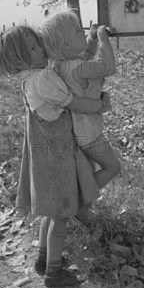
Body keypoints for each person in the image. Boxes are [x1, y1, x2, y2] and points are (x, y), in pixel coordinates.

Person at [0, 25, 110, 288]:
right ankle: (54, 275)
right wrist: (99, 105)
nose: (42, 49)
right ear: (19, 59)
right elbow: (73, 103)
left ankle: (43, 260)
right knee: (60, 215)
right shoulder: (41, 79)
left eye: (39, 43)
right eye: (33, 47)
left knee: (50, 212)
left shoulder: (32, 77)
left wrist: (88, 46)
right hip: (57, 154)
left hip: (47, 152)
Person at [41, 10, 120, 190]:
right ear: (66, 43)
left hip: (81, 131)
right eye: (78, 30)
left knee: (88, 171)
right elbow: (108, 67)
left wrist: (91, 44)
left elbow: (83, 58)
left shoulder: (64, 65)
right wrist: (103, 39)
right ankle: (81, 200)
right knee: (112, 167)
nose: (83, 32)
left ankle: (80, 200)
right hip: (90, 134)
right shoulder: (76, 68)